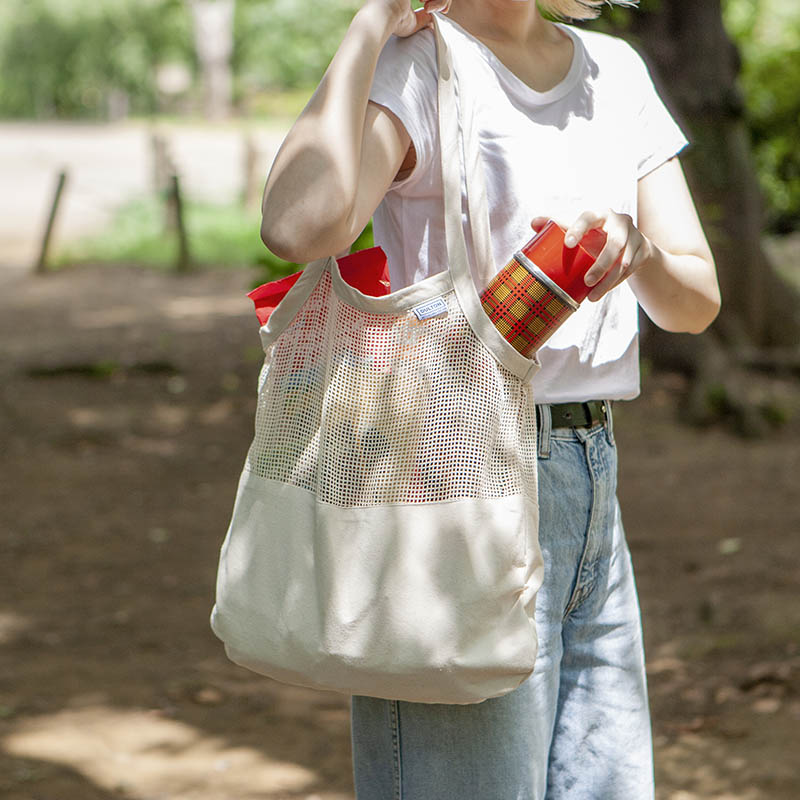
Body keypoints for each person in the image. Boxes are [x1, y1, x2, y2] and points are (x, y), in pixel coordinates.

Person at [259, 0, 721, 797]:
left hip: (590, 473)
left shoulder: (616, 71)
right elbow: (299, 228)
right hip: (453, 468)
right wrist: (369, 28)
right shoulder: (420, 65)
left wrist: (638, 252)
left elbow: (695, 300)